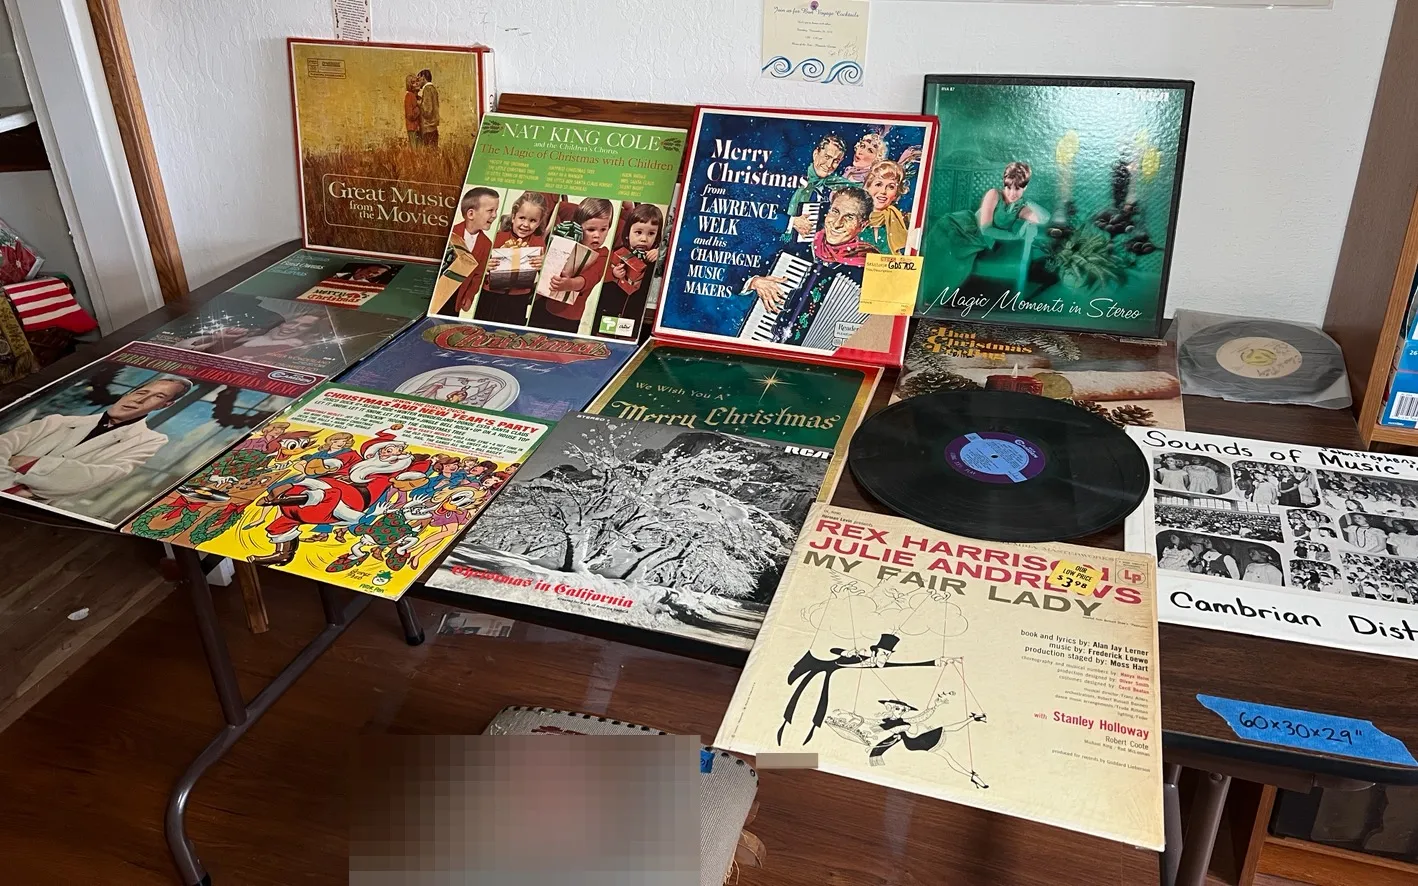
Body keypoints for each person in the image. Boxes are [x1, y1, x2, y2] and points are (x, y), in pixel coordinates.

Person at [0, 376, 191, 501]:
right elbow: (3, 444)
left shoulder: (149, 441)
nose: (139, 400)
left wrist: (30, 464)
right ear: (129, 393)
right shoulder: (56, 421)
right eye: (141, 392)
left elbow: (90, 478)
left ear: (165, 405)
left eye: (157, 397)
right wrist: (15, 484)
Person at [745, 187, 877, 347]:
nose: (837, 223)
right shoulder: (799, 248)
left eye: (849, 217)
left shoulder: (869, 267)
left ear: (862, 225)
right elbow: (738, 273)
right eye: (835, 212)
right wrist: (754, 281)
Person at [778, 633, 940, 746]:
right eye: (884, 653)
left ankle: (810, 730)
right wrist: (846, 652)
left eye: (888, 655)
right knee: (802, 698)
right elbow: (833, 651)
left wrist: (935, 662)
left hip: (832, 678)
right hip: (819, 669)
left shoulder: (878, 663)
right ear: (875, 652)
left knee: (821, 702)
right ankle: (786, 724)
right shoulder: (860, 657)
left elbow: (905, 664)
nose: (886, 658)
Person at [926, 161, 1046, 293]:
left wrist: (1029, 202)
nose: (1012, 193)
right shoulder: (994, 194)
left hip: (980, 240)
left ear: (1025, 187)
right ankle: (927, 292)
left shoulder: (1020, 208)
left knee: (955, 258)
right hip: (962, 227)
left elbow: (1043, 219)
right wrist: (1013, 236)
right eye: (1008, 187)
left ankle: (932, 292)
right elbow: (985, 229)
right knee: (942, 253)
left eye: (1017, 189)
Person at [529, 198, 614, 334]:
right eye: (591, 229)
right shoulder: (566, 241)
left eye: (604, 229)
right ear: (579, 226)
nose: (597, 235)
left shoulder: (603, 255)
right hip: (541, 303)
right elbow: (561, 206)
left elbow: (590, 278)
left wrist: (570, 284)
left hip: (567, 315)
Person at [476, 191, 551, 325]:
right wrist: (485, 266)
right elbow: (477, 268)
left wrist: (544, 265)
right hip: (490, 295)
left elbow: (545, 278)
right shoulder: (498, 238)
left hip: (518, 300)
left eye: (532, 220)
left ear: (539, 223)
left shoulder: (539, 244)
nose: (526, 224)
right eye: (522, 218)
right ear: (513, 217)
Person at [596, 203, 663, 338]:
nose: (644, 239)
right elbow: (600, 279)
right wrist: (614, 274)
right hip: (608, 316)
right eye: (638, 232)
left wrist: (660, 254)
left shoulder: (654, 259)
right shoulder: (617, 253)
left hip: (635, 319)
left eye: (651, 233)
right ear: (628, 232)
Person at [784, 135, 853, 242]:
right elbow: (765, 214)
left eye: (836, 161)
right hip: (780, 244)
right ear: (816, 153)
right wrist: (792, 221)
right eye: (827, 157)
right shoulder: (790, 177)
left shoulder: (838, 186)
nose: (829, 165)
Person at [448, 187, 501, 314]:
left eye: (496, 211)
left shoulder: (487, 244)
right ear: (471, 214)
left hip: (458, 297)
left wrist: (469, 296)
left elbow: (478, 275)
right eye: (490, 210)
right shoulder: (451, 233)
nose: (495, 215)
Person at [859, 160, 911, 256]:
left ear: (896, 194)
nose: (883, 191)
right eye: (878, 184)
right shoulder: (856, 218)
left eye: (891, 187)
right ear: (868, 187)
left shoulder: (905, 221)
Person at [416, 69, 439, 148]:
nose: (418, 82)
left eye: (419, 79)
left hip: (428, 127)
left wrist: (419, 104)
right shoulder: (433, 89)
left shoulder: (427, 89)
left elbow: (427, 110)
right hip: (433, 127)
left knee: (428, 151)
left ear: (423, 77)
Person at [403, 74, 420, 146]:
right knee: (415, 149)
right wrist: (418, 108)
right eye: (414, 82)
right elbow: (410, 115)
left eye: (417, 81)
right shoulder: (409, 96)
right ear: (410, 85)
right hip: (412, 128)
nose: (417, 84)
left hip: (416, 128)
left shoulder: (415, 96)